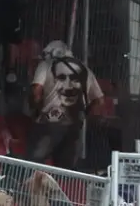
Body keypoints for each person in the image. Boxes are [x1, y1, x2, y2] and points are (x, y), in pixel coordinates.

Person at [27, 40, 105, 169]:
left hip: (50, 120)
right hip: (74, 124)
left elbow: (36, 91)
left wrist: (36, 110)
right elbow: (99, 100)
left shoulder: (46, 65)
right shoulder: (85, 70)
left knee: (34, 161)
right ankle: (61, 188)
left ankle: (31, 186)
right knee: (65, 168)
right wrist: (84, 114)